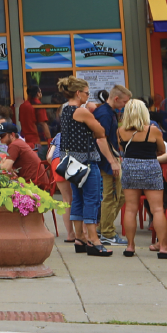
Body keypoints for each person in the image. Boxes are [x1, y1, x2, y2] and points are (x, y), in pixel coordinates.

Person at [58, 75, 117, 256]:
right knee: (92, 199)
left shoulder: (65, 110)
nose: (88, 96)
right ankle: (93, 239)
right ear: (78, 93)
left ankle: (79, 238)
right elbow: (101, 132)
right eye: (86, 93)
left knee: (78, 199)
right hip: (86, 160)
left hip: (70, 162)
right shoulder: (81, 111)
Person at [115, 98, 167, 258]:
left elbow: (122, 149)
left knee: (130, 209)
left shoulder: (120, 131)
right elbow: (162, 150)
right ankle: (163, 248)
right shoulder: (153, 130)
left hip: (129, 167)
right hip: (150, 167)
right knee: (157, 209)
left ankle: (130, 246)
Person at [93, 85, 131, 246]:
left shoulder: (108, 112)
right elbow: (101, 139)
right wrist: (112, 161)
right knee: (112, 196)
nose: (125, 105)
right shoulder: (105, 114)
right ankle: (107, 232)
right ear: (116, 99)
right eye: (124, 102)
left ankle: (103, 228)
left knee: (119, 196)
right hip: (107, 160)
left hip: (109, 158)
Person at [0, 122, 53, 193]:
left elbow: (6, 167)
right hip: (39, 184)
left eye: (2, 135)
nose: (0, 138)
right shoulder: (18, 142)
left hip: (34, 186)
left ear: (12, 135)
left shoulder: (14, 145)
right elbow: (5, 162)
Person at [18, 85, 49, 158]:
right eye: (40, 92)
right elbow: (43, 124)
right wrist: (49, 139)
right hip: (37, 141)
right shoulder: (37, 105)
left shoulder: (22, 106)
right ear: (38, 94)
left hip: (25, 140)